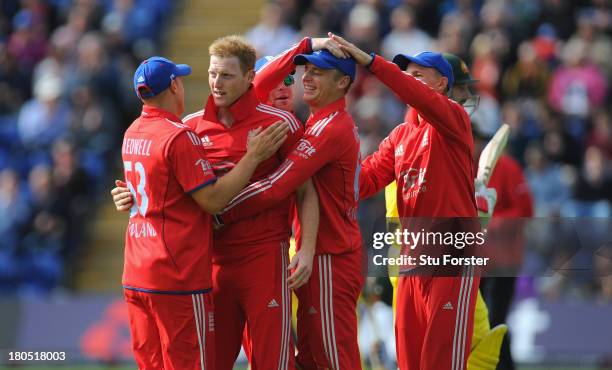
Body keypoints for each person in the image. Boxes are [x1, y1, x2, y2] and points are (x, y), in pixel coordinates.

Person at [120, 56, 288, 370]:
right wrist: (252, 157)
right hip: (176, 273)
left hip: (135, 271)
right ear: (174, 85)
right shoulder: (178, 135)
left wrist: (125, 196)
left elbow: (153, 188)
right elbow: (212, 201)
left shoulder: (133, 131)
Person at [331, 33, 480, 370]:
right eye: (406, 74)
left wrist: (371, 62)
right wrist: (328, 158)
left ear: (441, 84)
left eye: (417, 75)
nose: (408, 82)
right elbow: (364, 181)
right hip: (411, 257)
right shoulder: (400, 135)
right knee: (410, 360)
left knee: (440, 361)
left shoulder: (454, 119)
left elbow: (411, 94)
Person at [216, 49, 364, 370]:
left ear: (342, 82)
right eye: (303, 72)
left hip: (328, 256)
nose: (295, 83)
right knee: (309, 359)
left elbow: (281, 186)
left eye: (317, 72)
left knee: (331, 359)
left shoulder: (324, 128)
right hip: (306, 257)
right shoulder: (309, 124)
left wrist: (217, 211)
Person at [387, 52, 509, 370]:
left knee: (472, 349)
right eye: (462, 89)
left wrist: (478, 209)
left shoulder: (448, 134)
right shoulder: (406, 139)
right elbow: (399, 216)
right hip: (415, 263)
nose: (467, 97)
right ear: (444, 87)